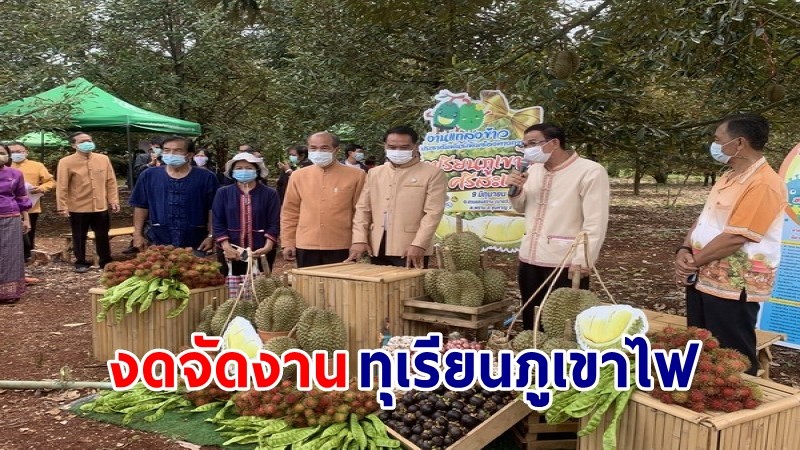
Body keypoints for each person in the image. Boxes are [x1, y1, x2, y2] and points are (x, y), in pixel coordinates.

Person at [674, 114, 786, 376]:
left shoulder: (764, 184)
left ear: (739, 143)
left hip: (734, 285)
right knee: (700, 342)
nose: (714, 145)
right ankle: (704, 394)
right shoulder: (728, 177)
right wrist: (684, 250)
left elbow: (738, 236)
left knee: (732, 352)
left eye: (718, 140)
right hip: (703, 276)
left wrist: (693, 262)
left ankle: (742, 403)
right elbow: (704, 220)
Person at [507, 123, 610, 330]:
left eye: (533, 143)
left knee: (562, 320)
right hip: (530, 255)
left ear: (554, 143)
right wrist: (516, 190)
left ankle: (561, 359)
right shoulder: (534, 170)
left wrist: (583, 259)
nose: (528, 149)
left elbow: (595, 221)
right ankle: (532, 354)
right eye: (525, 145)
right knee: (531, 313)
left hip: (565, 260)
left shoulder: (590, 171)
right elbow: (521, 208)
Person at [348, 126, 446, 268]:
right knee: (377, 287)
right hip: (376, 245)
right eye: (392, 147)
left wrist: (419, 244)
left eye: (404, 147)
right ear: (385, 146)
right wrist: (359, 239)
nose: (398, 151)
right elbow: (363, 209)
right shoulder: (375, 173)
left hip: (410, 247)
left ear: (415, 147)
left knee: (409, 289)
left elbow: (433, 213)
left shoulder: (432, 173)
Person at [280, 132, 366, 268]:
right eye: (313, 148)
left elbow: (361, 212)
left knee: (340, 288)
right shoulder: (298, 176)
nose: (318, 152)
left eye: (324, 148)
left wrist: (359, 241)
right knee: (308, 287)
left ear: (335, 150)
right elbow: (290, 212)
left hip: (341, 243)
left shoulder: (357, 175)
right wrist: (288, 242)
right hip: (306, 243)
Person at [129, 136, 219, 252]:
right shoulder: (149, 175)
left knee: (195, 269)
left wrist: (211, 236)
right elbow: (141, 206)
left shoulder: (206, 177)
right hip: (158, 240)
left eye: (178, 150)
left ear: (190, 155)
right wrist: (137, 234)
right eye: (166, 150)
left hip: (195, 241)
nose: (171, 154)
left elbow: (213, 209)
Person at [56, 132, 120, 273]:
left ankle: (105, 260)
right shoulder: (66, 162)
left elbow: (111, 181)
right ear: (74, 145)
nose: (88, 143)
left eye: (89, 140)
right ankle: (81, 261)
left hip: (100, 205)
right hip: (78, 206)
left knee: (103, 234)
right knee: (79, 235)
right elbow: (62, 186)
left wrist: (113, 200)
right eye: (83, 141)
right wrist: (62, 206)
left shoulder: (103, 159)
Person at [212, 153, 280, 274]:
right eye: (239, 168)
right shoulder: (223, 193)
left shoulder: (270, 194)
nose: (244, 171)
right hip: (230, 249)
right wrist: (227, 247)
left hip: (261, 250)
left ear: (257, 171)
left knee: (261, 287)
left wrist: (267, 247)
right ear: (232, 171)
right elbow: (218, 221)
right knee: (232, 287)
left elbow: (274, 222)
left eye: (249, 168)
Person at [8, 141, 56, 261]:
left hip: (31, 205)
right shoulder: (5, 166)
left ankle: (26, 258)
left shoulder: (37, 165)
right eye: (12, 152)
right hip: (7, 206)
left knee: (28, 234)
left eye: (19, 151)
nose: (15, 154)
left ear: (26, 152)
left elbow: (51, 182)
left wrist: (41, 188)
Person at [0, 144, 32, 304]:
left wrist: (25, 219)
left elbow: (21, 198)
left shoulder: (15, 174)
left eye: (1, 153)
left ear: (7, 156)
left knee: (10, 254)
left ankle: (8, 293)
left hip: (10, 217)